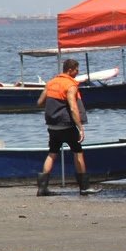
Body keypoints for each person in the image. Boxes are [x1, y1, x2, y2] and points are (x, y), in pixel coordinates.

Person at [35, 58, 99, 195]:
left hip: (52, 126)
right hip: (67, 125)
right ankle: (84, 187)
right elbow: (73, 108)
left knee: (52, 153)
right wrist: (80, 127)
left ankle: (42, 188)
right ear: (70, 70)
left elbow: (40, 102)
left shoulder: (51, 82)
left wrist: (54, 103)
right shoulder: (70, 85)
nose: (78, 72)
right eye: (76, 69)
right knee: (78, 153)